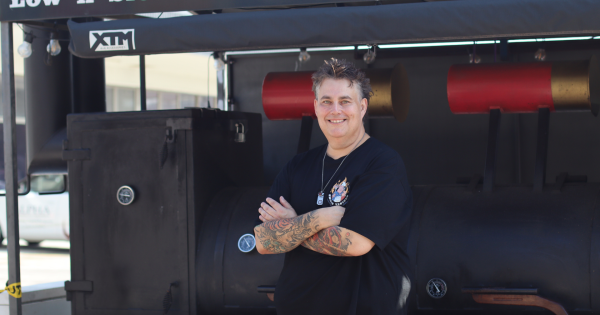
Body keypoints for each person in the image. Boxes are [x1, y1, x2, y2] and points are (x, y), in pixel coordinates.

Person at [254, 58, 413, 315]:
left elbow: (354, 243)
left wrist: (292, 225)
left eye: (345, 101)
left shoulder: (383, 164)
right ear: (316, 107)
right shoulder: (298, 165)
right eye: (326, 101)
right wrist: (319, 218)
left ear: (362, 107)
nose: (335, 110)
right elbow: (263, 240)